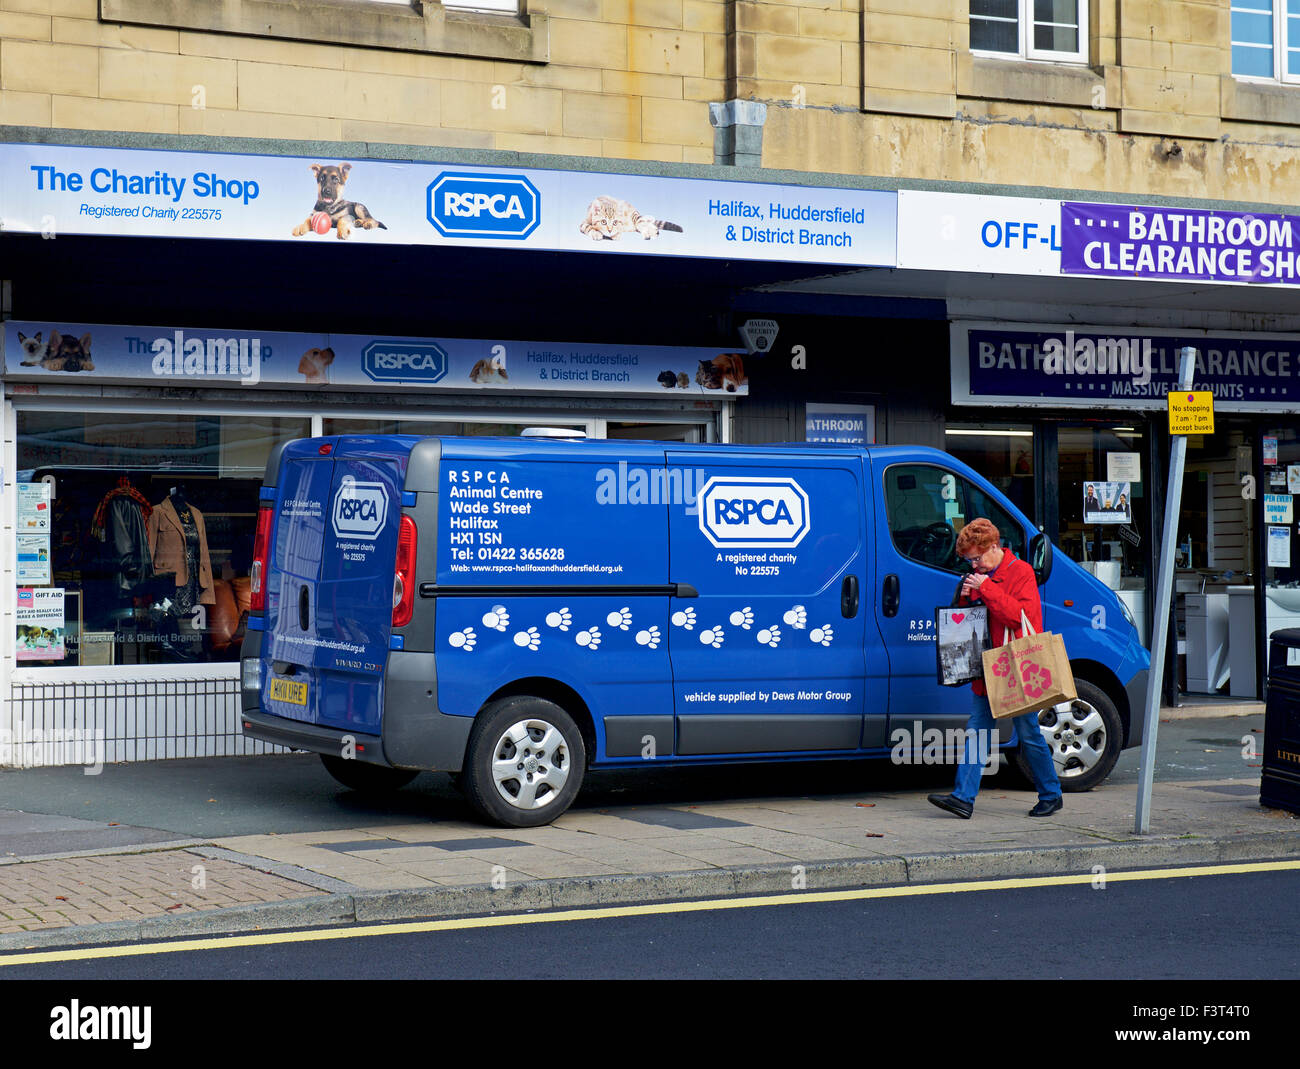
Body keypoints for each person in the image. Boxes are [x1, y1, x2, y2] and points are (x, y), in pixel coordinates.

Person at [928, 517, 1063, 819]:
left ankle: (1052, 794)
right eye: (969, 560)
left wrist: (987, 588)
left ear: (994, 547)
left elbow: (1021, 617)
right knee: (977, 732)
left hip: (1015, 667)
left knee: (1028, 734)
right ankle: (963, 798)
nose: (974, 566)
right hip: (987, 668)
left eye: (977, 558)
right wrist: (963, 601)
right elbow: (970, 623)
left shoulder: (1021, 572)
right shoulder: (979, 577)